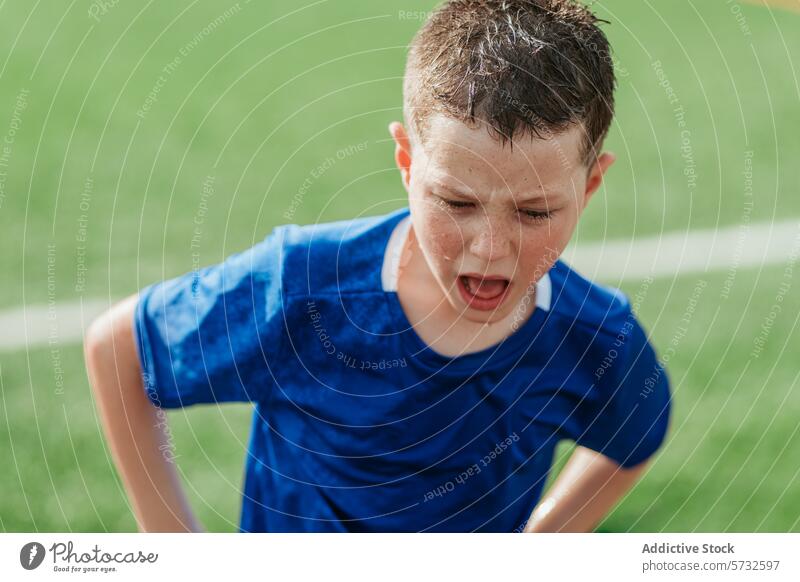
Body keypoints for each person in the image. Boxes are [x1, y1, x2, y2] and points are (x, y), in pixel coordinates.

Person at [84, 0, 671, 533]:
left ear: (590, 186)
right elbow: (119, 348)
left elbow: (636, 432)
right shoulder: (304, 289)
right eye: (457, 203)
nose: (491, 248)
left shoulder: (597, 340)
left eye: (535, 211)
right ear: (406, 162)